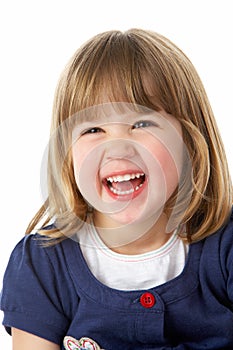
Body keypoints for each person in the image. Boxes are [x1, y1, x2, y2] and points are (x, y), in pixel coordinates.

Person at [1, 28, 233, 350]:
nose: (117, 148)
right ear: (67, 155)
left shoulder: (224, 246)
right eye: (93, 129)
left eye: (142, 123)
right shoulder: (41, 265)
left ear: (190, 142)